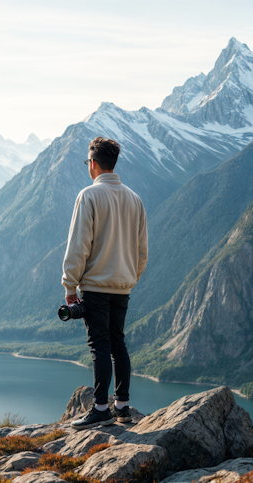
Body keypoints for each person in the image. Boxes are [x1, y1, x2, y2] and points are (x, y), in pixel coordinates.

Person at [61, 136, 148, 430]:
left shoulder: (89, 196)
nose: (88, 166)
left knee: (99, 345)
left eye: (88, 162)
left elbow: (78, 246)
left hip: (95, 287)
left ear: (93, 164)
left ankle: (100, 408)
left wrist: (70, 287)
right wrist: (129, 279)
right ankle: (122, 407)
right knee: (118, 344)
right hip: (122, 286)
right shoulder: (134, 199)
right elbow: (142, 251)